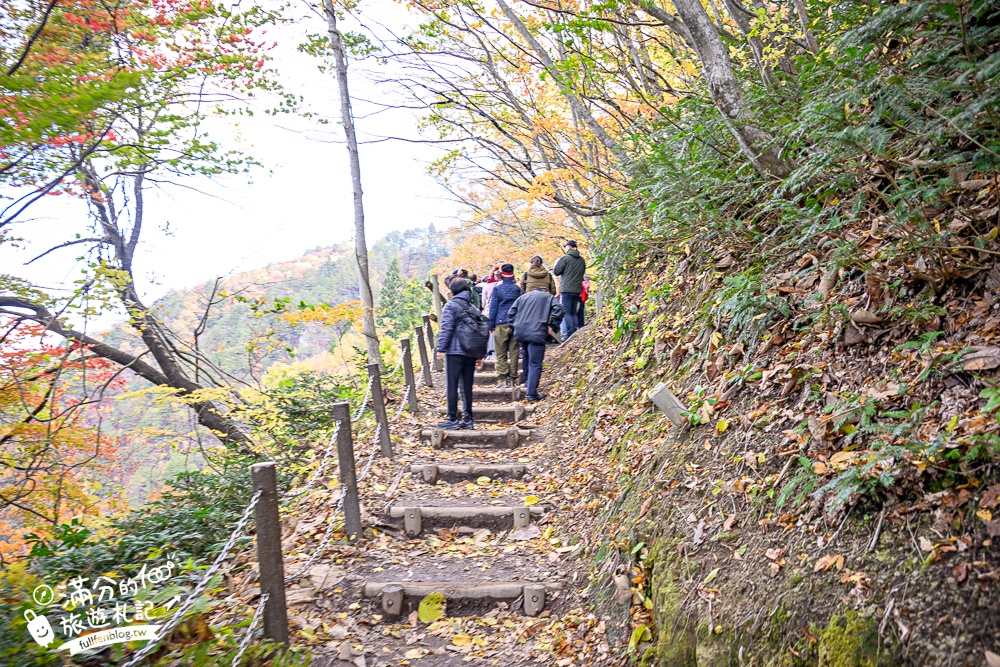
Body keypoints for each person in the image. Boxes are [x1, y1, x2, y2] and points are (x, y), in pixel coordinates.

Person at [435, 278, 480, 430]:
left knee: (452, 385)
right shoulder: (473, 307)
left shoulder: (451, 305)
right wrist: (479, 354)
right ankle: (468, 420)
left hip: (454, 351)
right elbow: (479, 332)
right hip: (470, 351)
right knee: (466, 386)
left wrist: (441, 348)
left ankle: (452, 419)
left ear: (452, 291)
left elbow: (446, 328)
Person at [507, 285, 563, 402]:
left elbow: (510, 314)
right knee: (535, 362)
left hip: (521, 332)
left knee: (526, 356)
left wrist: (515, 327)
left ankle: (528, 383)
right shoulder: (548, 297)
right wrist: (552, 325)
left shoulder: (522, 298)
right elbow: (559, 310)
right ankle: (531, 393)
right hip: (537, 332)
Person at [488, 263, 522, 387]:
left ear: (501, 274)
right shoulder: (518, 290)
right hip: (515, 323)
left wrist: (491, 325)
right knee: (514, 351)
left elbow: (493, 308)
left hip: (501, 322)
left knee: (500, 352)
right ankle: (513, 378)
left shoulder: (497, 289)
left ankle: (503, 378)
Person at [553, 240, 586, 339]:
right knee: (573, 312)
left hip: (566, 289)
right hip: (577, 289)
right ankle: (575, 333)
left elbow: (556, 272)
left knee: (566, 312)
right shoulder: (581, 260)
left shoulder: (565, 258)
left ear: (569, 247)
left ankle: (569, 334)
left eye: (566, 246)